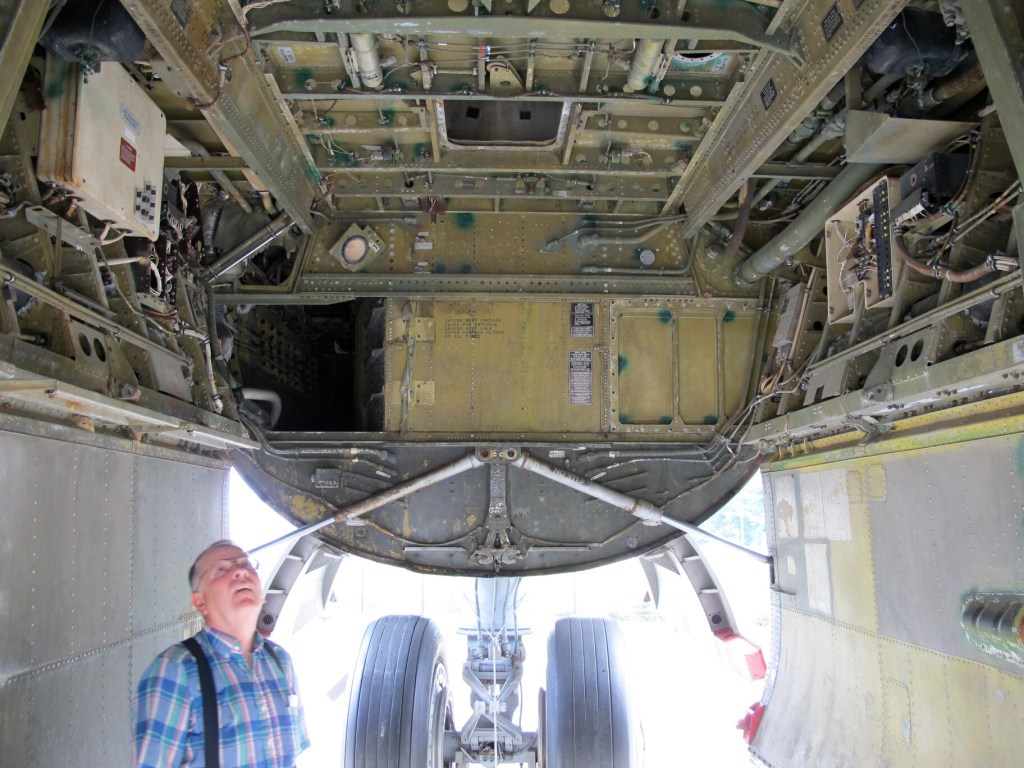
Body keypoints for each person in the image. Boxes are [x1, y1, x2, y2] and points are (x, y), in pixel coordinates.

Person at [134, 540, 310, 767]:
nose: (240, 571)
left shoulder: (280, 661)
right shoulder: (175, 669)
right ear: (200, 602)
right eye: (222, 569)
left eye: (246, 564)